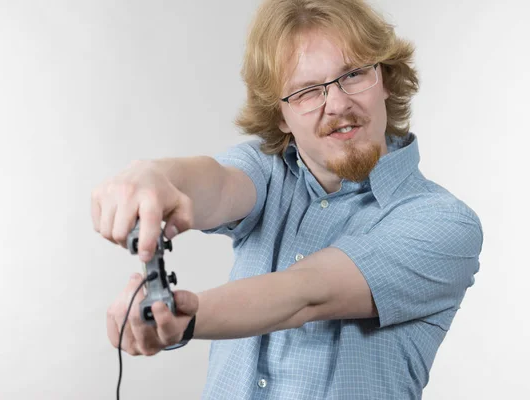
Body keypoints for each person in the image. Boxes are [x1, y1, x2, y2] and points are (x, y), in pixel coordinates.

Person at [91, 0, 484, 398]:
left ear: (385, 78)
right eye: (306, 92)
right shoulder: (268, 170)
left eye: (353, 74)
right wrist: (157, 177)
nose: (337, 104)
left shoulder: (443, 224)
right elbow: (218, 184)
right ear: (280, 116)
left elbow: (307, 294)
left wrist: (179, 316)